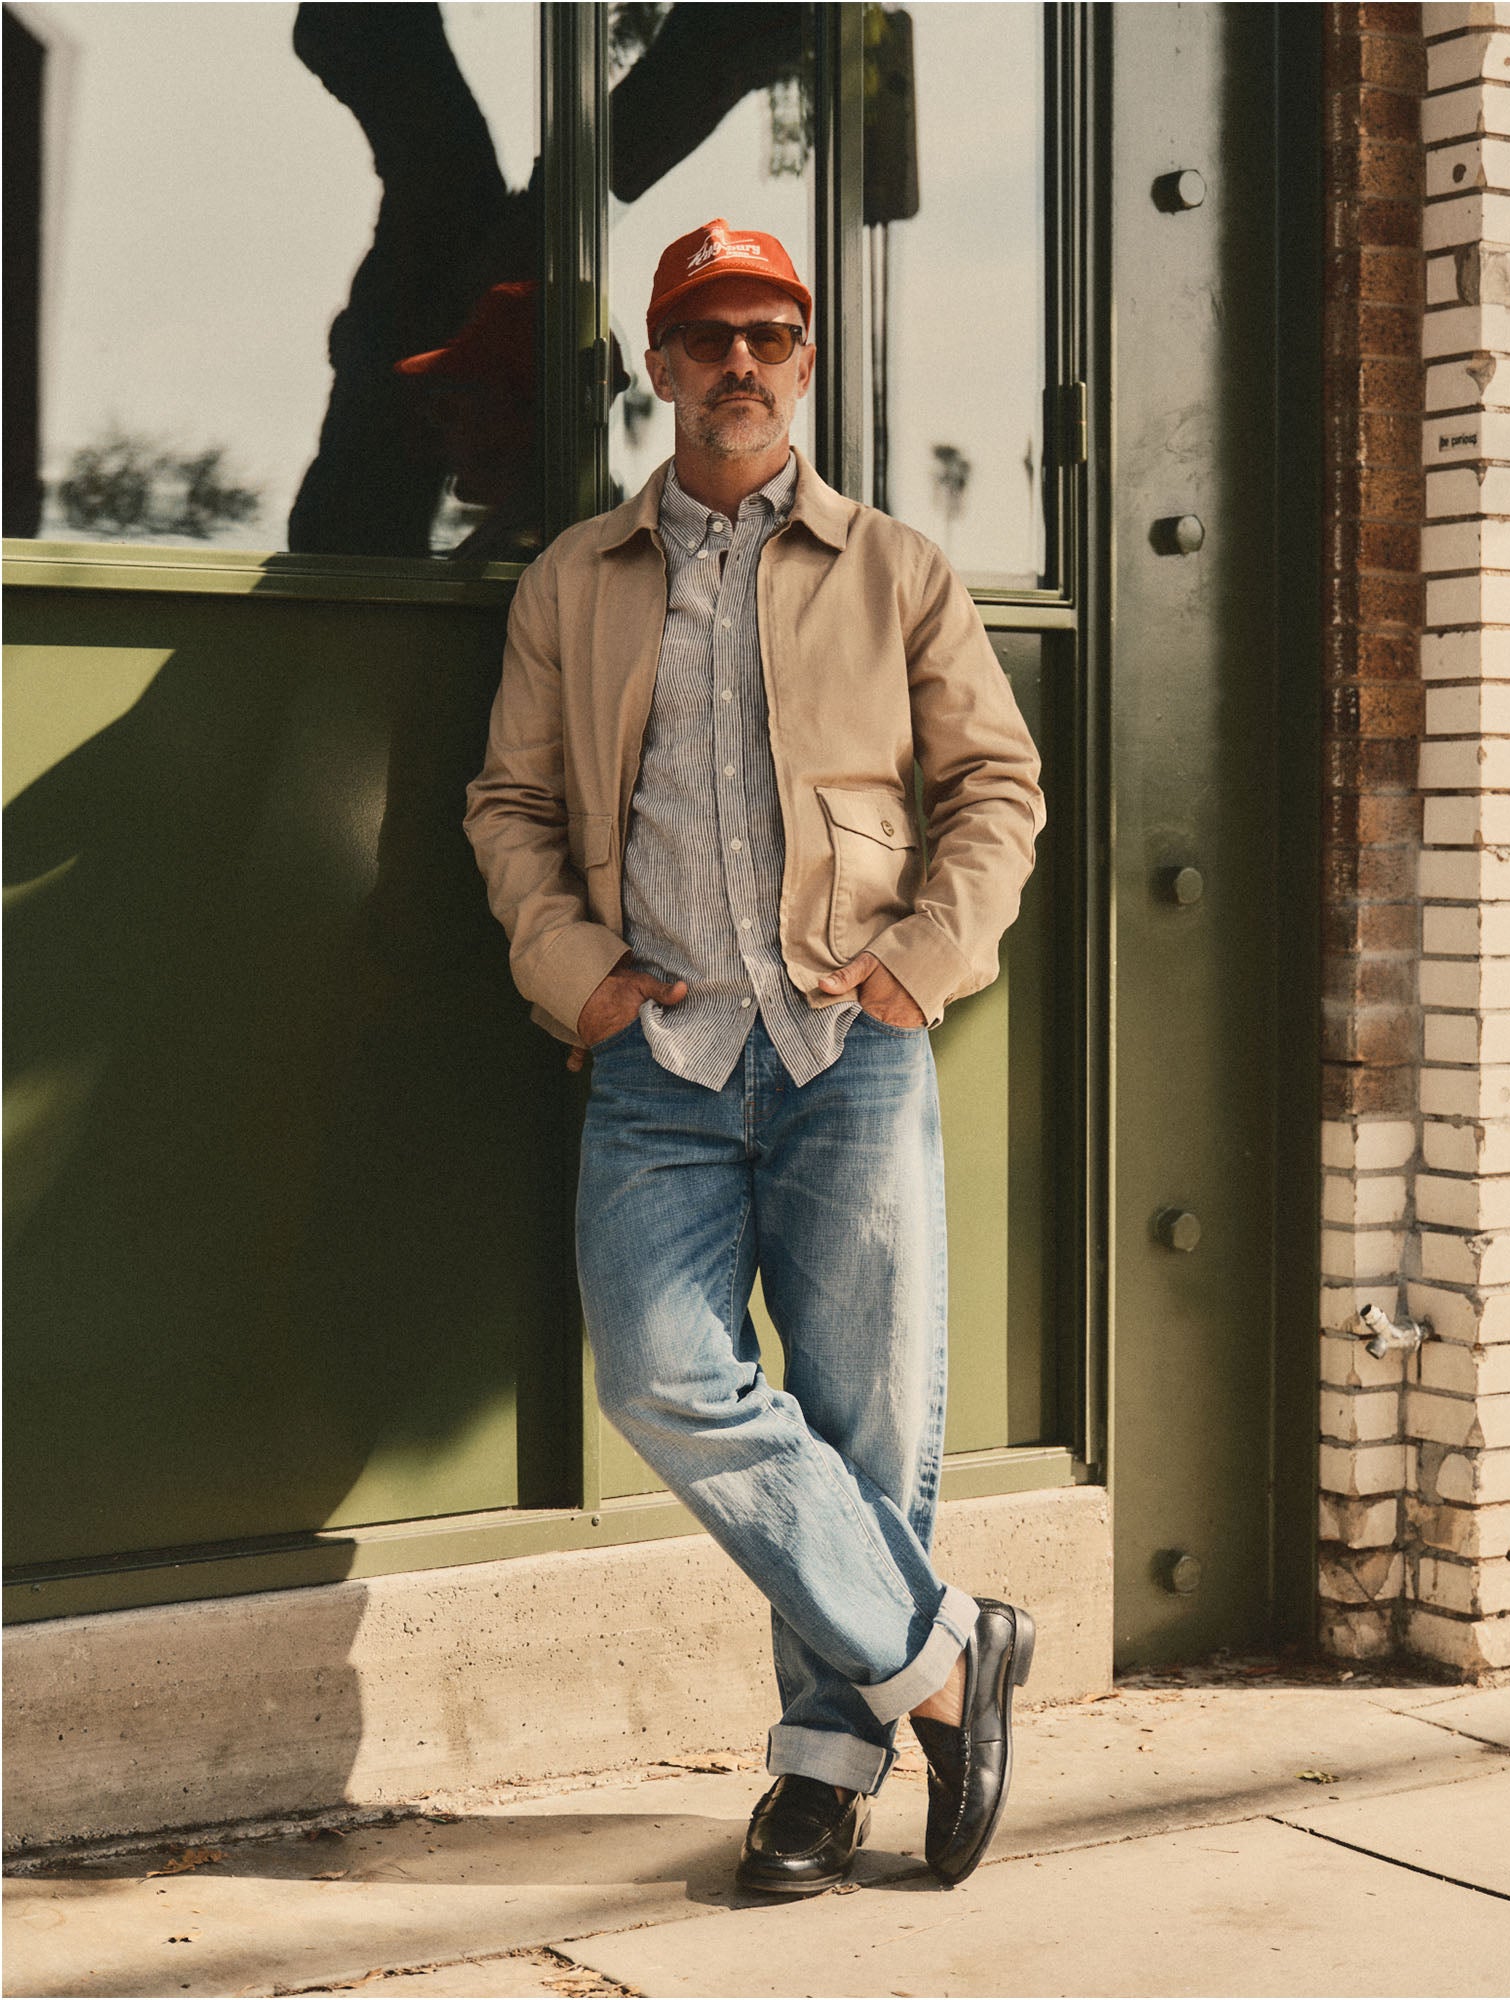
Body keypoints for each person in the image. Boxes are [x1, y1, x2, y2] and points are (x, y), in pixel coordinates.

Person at [464, 218, 1045, 1894]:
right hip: (660, 1048)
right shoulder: (573, 580)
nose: (740, 362)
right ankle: (943, 1658)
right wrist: (574, 975)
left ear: (804, 362)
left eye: (770, 336)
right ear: (659, 363)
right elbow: (507, 805)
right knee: (660, 1372)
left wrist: (925, 964)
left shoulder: (895, 567)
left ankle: (818, 1770)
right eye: (707, 334)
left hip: (845, 1045)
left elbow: (994, 790)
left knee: (871, 1420)